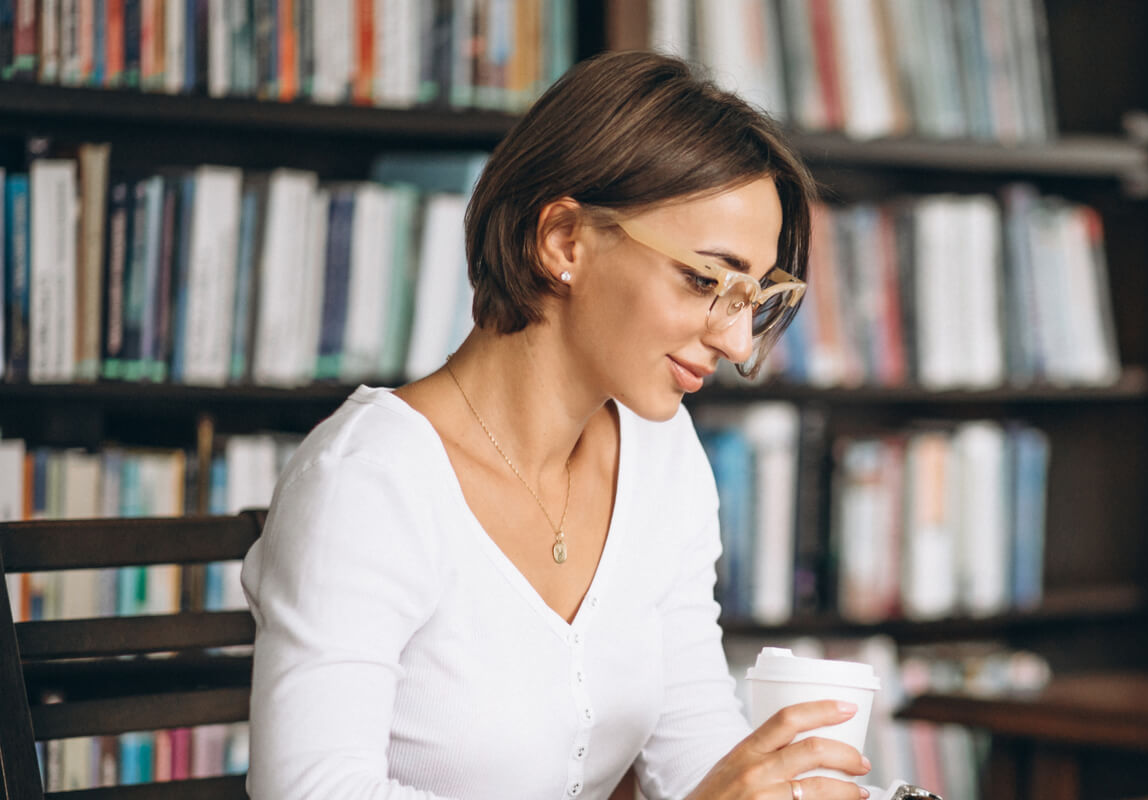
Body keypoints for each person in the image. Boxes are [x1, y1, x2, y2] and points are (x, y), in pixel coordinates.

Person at [242, 50, 871, 800]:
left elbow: (693, 742)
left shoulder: (661, 454)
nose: (738, 344)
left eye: (753, 299)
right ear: (564, 240)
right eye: (706, 280)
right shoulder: (368, 480)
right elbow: (312, 792)